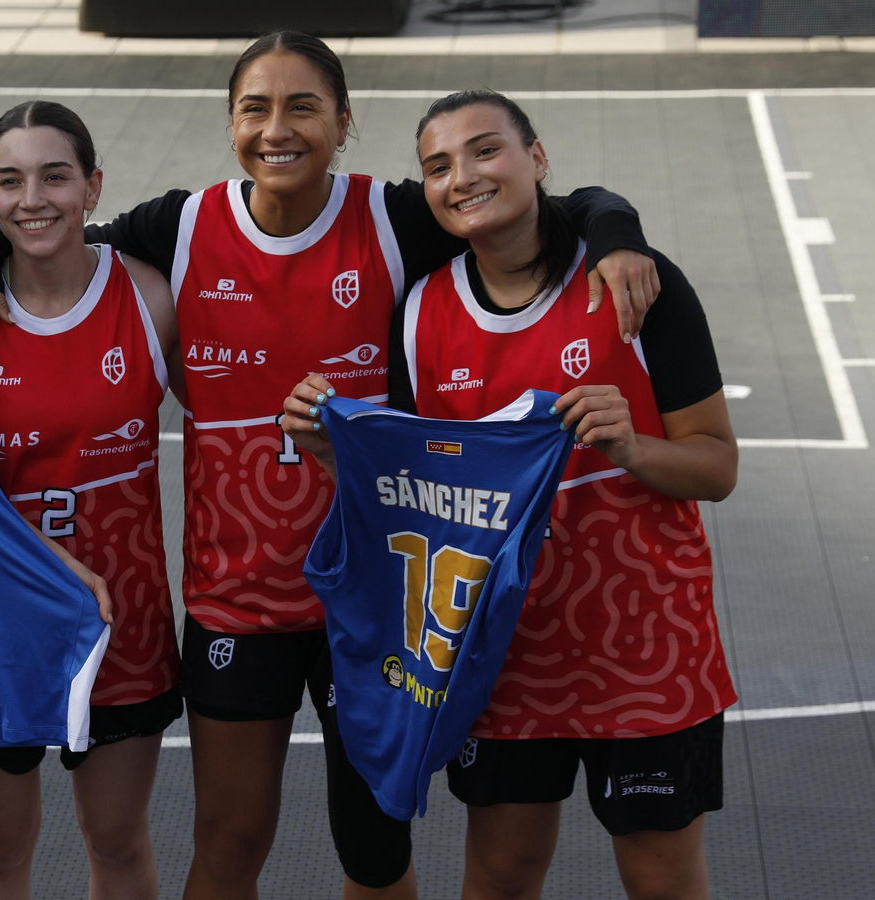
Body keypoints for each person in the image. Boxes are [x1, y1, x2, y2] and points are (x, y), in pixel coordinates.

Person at [0, 32, 663, 900]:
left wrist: (616, 227)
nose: (277, 129)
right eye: (255, 108)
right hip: (237, 601)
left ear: (344, 122)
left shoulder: (395, 220)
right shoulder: (183, 227)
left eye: (303, 107)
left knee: (372, 846)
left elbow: (532, 204)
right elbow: (45, 231)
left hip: (370, 600)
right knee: (229, 840)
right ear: (231, 124)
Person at [283, 89, 738, 900]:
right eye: (438, 166)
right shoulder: (422, 311)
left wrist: (632, 446)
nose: (462, 176)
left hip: (644, 647)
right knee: (500, 876)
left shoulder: (633, 282)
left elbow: (717, 466)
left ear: (538, 157)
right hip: (501, 651)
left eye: (485, 150)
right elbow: (416, 497)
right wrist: (331, 453)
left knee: (661, 879)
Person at [0, 100, 181, 900]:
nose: (33, 198)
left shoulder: (150, 297)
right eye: (10, 181)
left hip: (121, 618)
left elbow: (237, 416)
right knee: (0, 848)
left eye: (55, 176)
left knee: (116, 841)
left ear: (93, 186)